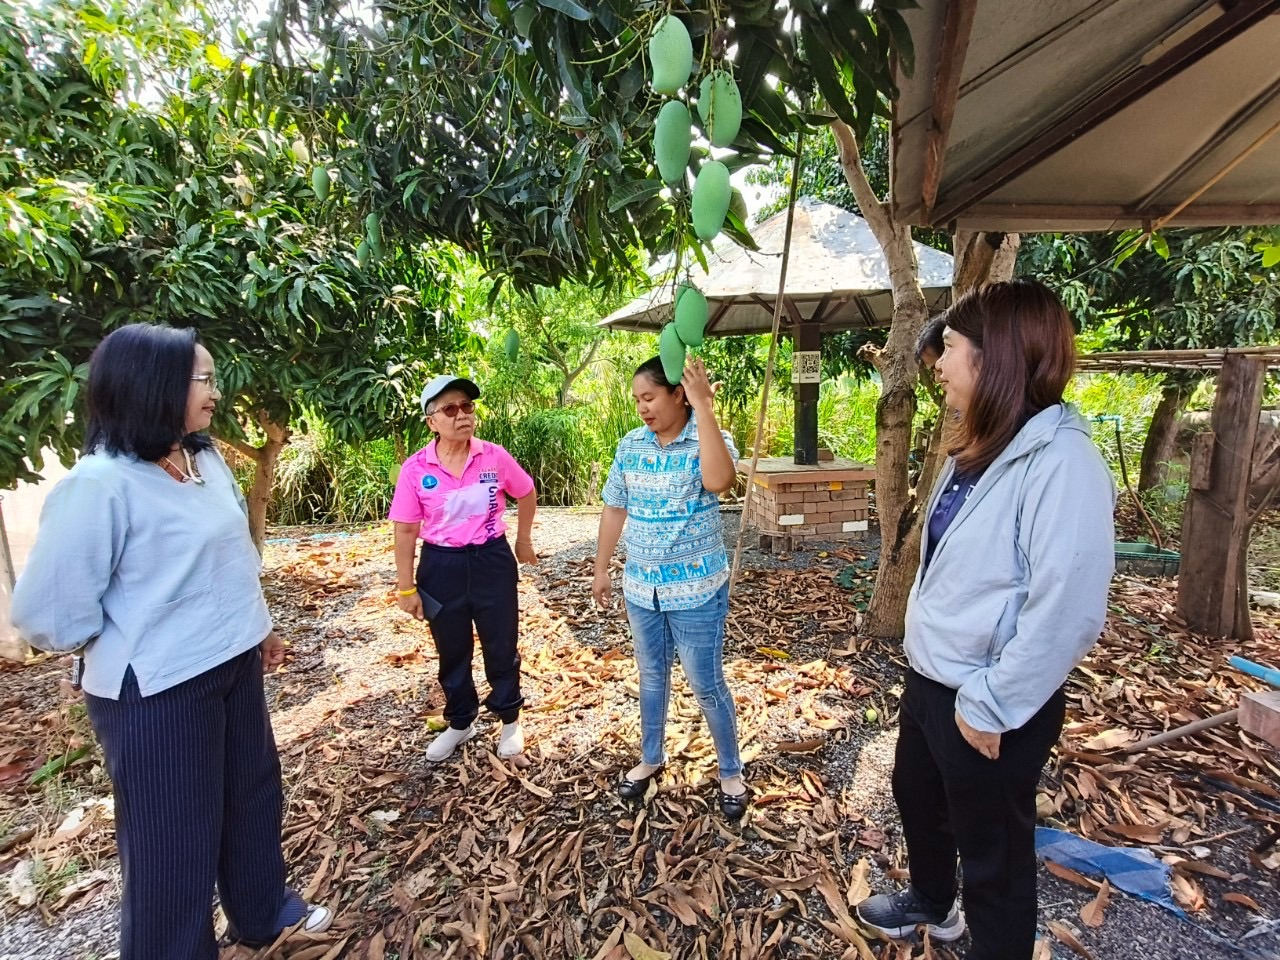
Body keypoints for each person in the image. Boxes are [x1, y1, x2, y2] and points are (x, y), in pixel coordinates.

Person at [11, 324, 331, 960]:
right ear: (153, 387)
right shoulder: (100, 485)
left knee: (252, 792)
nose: (216, 392)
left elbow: (230, 557)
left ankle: (263, 912)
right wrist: (138, 632)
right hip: (157, 687)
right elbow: (47, 613)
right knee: (171, 838)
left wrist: (256, 627)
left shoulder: (202, 459)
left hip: (232, 661)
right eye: (203, 379)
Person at [856, 280, 1116, 959]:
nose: (938, 363)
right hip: (934, 679)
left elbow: (1069, 607)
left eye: (951, 349)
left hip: (989, 700)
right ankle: (934, 905)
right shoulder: (982, 446)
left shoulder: (1061, 464)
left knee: (995, 856)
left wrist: (995, 703)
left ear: (994, 357)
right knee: (918, 795)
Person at [592, 356, 748, 819]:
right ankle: (651, 758)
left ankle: (731, 771)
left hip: (697, 589)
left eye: (650, 397)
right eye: (637, 399)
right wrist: (602, 568)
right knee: (652, 677)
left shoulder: (707, 437)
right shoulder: (631, 445)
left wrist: (706, 409)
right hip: (641, 588)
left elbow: (721, 481)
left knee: (706, 684)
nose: (642, 408)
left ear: (677, 394)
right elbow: (614, 508)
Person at [389, 374, 538, 762]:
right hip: (441, 566)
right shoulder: (415, 468)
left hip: (492, 560)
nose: (462, 415)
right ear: (431, 421)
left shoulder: (493, 456)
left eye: (467, 407)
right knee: (451, 649)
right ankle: (460, 722)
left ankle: (509, 719)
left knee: (501, 643)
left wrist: (523, 540)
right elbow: (405, 530)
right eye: (450, 409)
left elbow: (525, 491)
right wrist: (406, 589)